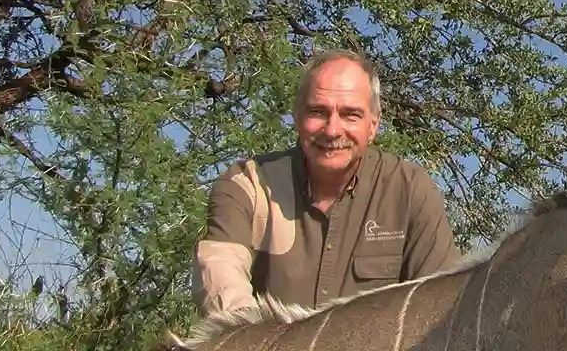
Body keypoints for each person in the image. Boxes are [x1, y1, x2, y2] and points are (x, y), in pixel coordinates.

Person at [193, 50, 456, 315]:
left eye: (350, 114)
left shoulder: (409, 189)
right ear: (297, 116)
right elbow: (220, 273)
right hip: (266, 341)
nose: (332, 130)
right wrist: (250, 333)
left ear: (373, 126)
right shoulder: (248, 184)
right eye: (318, 112)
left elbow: (440, 303)